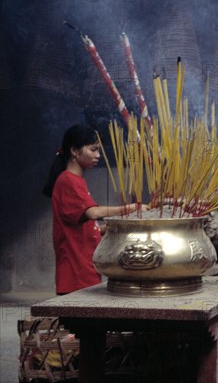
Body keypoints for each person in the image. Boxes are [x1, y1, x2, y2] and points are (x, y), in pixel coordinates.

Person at [43, 124, 145, 295]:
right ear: (75, 151)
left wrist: (114, 227)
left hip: (85, 270)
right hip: (75, 274)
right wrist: (131, 208)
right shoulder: (68, 181)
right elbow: (93, 213)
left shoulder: (77, 180)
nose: (98, 155)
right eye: (93, 149)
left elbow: (87, 227)